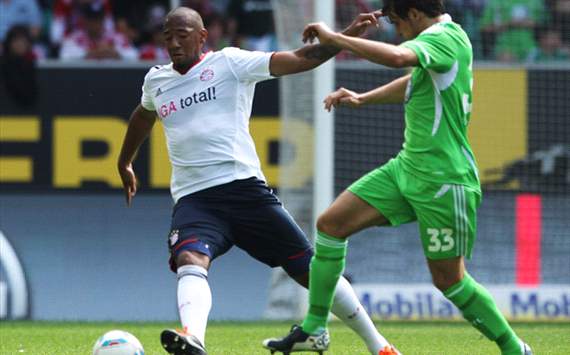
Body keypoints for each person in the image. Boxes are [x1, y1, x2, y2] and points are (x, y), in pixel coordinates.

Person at [117, 6, 398, 355]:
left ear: (203, 37)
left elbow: (302, 58)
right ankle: (194, 339)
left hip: (243, 189)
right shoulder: (156, 80)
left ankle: (381, 346)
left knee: (312, 272)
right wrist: (125, 160)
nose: (174, 43)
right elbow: (143, 117)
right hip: (195, 199)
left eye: (182, 35)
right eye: (168, 36)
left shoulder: (230, 63)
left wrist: (347, 34)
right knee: (190, 259)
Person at [265, 1, 533, 354]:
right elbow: (414, 83)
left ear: (415, 14)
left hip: (443, 179)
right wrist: (362, 98)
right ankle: (315, 328)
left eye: (396, 21)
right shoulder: (440, 43)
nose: (396, 29)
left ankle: (515, 348)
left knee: (450, 281)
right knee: (331, 225)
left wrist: (336, 39)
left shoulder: (444, 37)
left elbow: (396, 58)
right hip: (407, 169)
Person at [480, 0, 546, 62]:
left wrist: (532, 24)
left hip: (532, 47)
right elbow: (484, 27)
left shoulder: (535, 2)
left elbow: (546, 24)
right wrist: (508, 24)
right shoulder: (496, 3)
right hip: (505, 47)